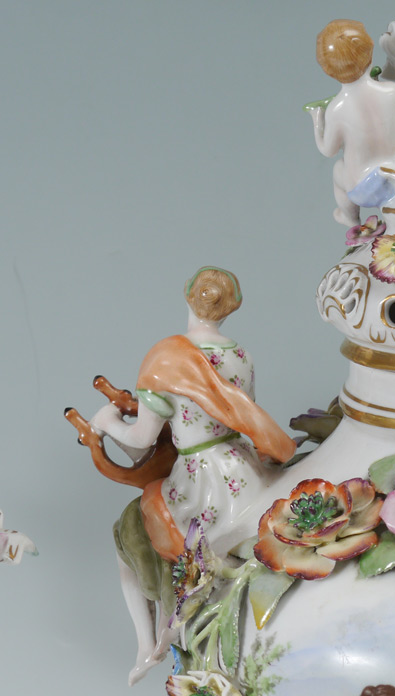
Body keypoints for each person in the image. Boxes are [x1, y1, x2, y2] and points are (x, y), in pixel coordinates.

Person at [92, 266, 296, 682]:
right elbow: (244, 418)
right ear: (233, 307)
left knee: (131, 531)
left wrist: (107, 422)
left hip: (201, 478)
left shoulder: (166, 360)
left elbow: (141, 441)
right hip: (244, 469)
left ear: (187, 295)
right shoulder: (241, 356)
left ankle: (147, 644)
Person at [308, 19, 395, 226]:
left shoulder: (337, 109)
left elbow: (328, 150)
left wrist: (317, 119)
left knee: (338, 169)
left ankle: (350, 217)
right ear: (370, 52)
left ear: (328, 70)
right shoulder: (392, 91)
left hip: (365, 189)